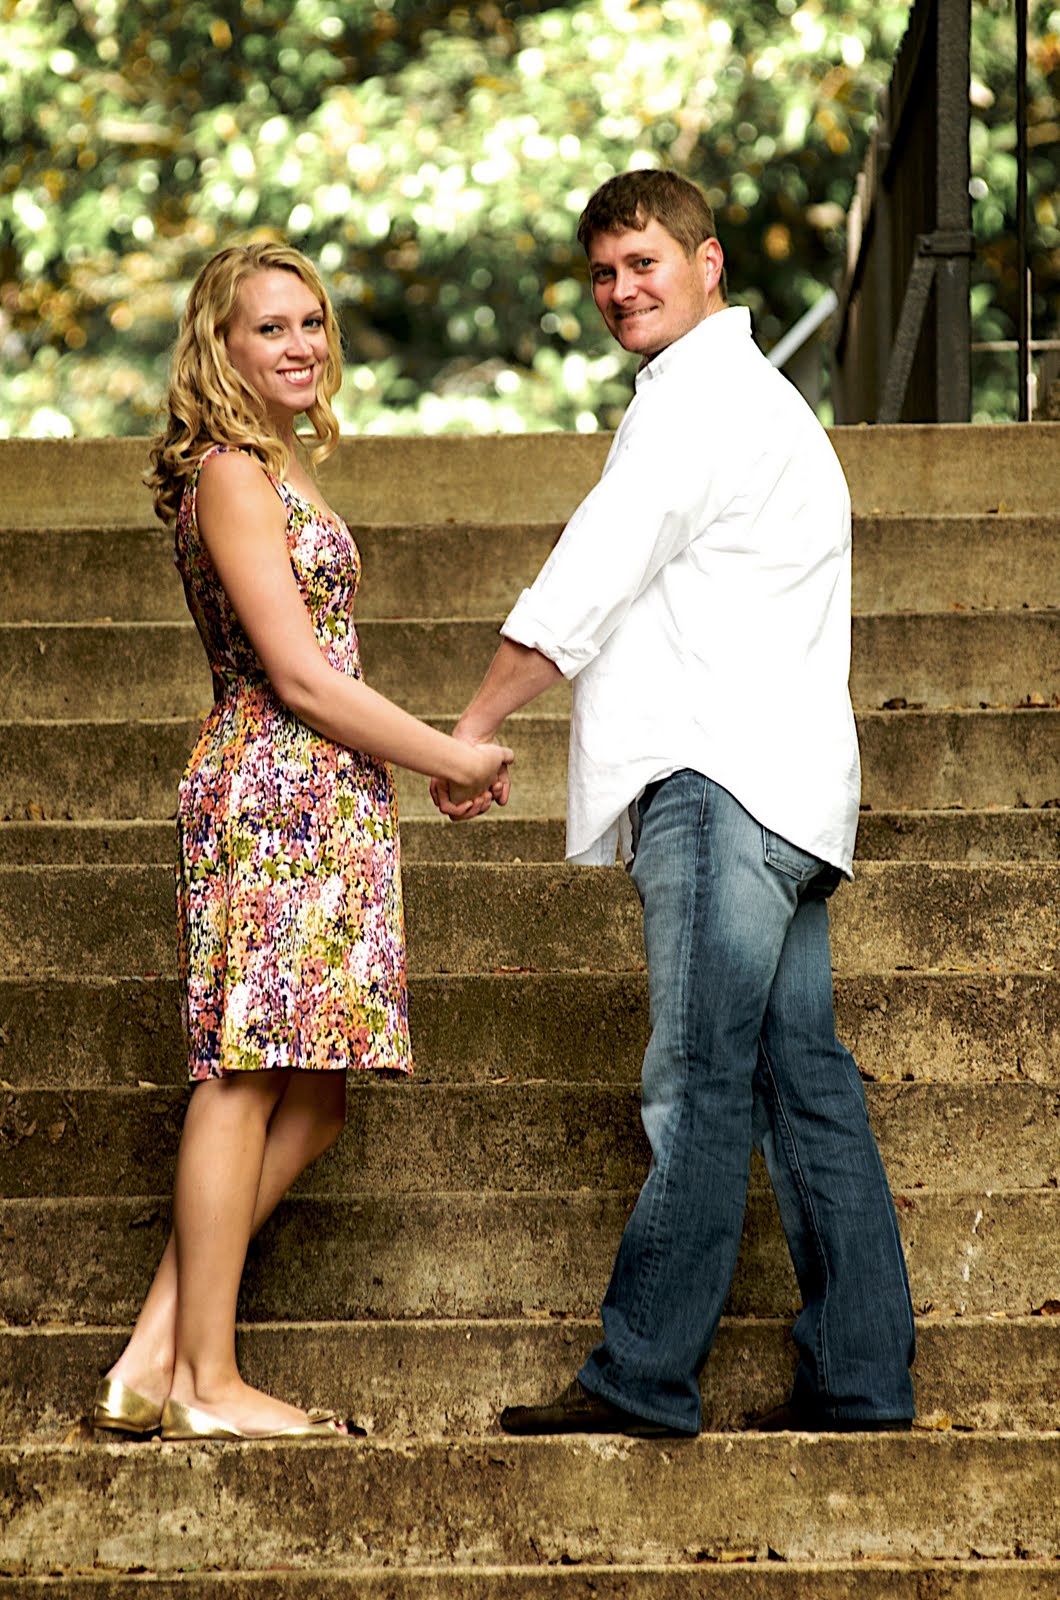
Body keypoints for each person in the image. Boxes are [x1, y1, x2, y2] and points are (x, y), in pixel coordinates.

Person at [431, 170, 916, 1437]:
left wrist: (471, 727)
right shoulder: (758, 403)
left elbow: (587, 577)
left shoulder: (698, 402)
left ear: (708, 265)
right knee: (802, 1083)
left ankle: (641, 1375)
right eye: (601, 272)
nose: (619, 290)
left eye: (642, 262)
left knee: (696, 1083)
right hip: (788, 792)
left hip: (722, 786)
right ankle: (860, 1377)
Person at [91, 242, 511, 1443]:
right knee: (244, 1077)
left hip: (324, 794)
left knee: (315, 1099)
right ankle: (206, 1380)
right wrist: (448, 756)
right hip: (275, 786)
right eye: (269, 327)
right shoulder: (231, 473)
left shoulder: (274, 465)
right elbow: (302, 677)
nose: (300, 344)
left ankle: (150, 1357)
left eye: (311, 321)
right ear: (219, 348)